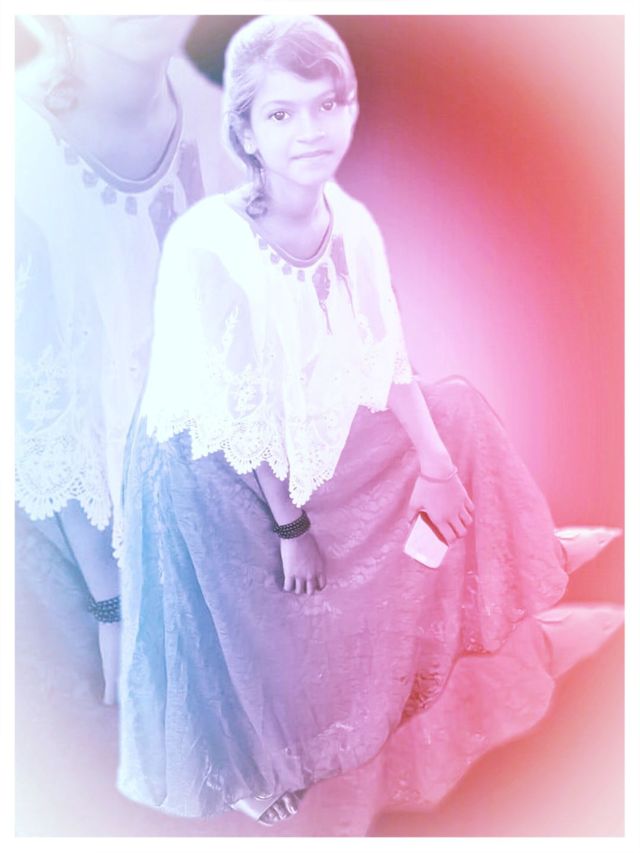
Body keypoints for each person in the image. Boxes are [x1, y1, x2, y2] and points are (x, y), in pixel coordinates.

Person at [116, 15, 622, 827]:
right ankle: (254, 756)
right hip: (209, 468)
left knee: (454, 413)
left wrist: (435, 464)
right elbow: (233, 411)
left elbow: (385, 356)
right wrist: (291, 528)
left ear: (350, 110)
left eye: (326, 105)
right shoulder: (207, 243)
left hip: (294, 428)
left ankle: (514, 562)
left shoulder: (349, 220)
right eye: (281, 113)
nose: (310, 131)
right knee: (254, 560)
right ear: (245, 130)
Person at [15, 15, 237, 705]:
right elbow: (39, 417)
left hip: (205, 463)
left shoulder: (204, 101)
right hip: (81, 518)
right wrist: (112, 604)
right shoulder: (22, 152)